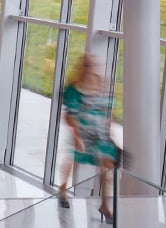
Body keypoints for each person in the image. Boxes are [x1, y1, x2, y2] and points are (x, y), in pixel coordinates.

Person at [56, 54, 116, 221]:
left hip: (98, 133)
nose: (91, 68)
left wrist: (108, 131)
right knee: (71, 159)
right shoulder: (74, 89)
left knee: (106, 168)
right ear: (82, 67)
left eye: (92, 65)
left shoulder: (100, 83)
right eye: (88, 65)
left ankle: (105, 205)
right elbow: (69, 116)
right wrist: (76, 135)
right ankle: (62, 190)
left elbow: (106, 111)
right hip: (81, 130)